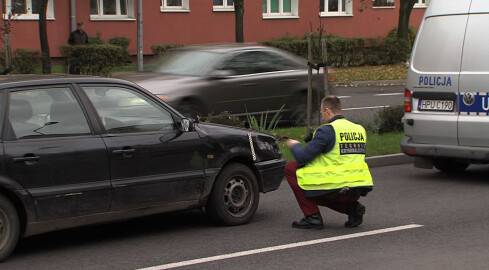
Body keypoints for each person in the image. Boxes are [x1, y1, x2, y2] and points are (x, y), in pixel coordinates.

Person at [284, 96, 373, 229]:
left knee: (291, 168)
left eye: (321, 113)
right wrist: (314, 140)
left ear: (327, 111)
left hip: (336, 188)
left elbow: (302, 157)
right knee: (316, 191)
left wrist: (293, 145)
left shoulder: (327, 130)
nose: (322, 116)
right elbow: (339, 153)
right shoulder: (359, 129)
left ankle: (312, 217)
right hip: (358, 187)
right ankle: (352, 208)